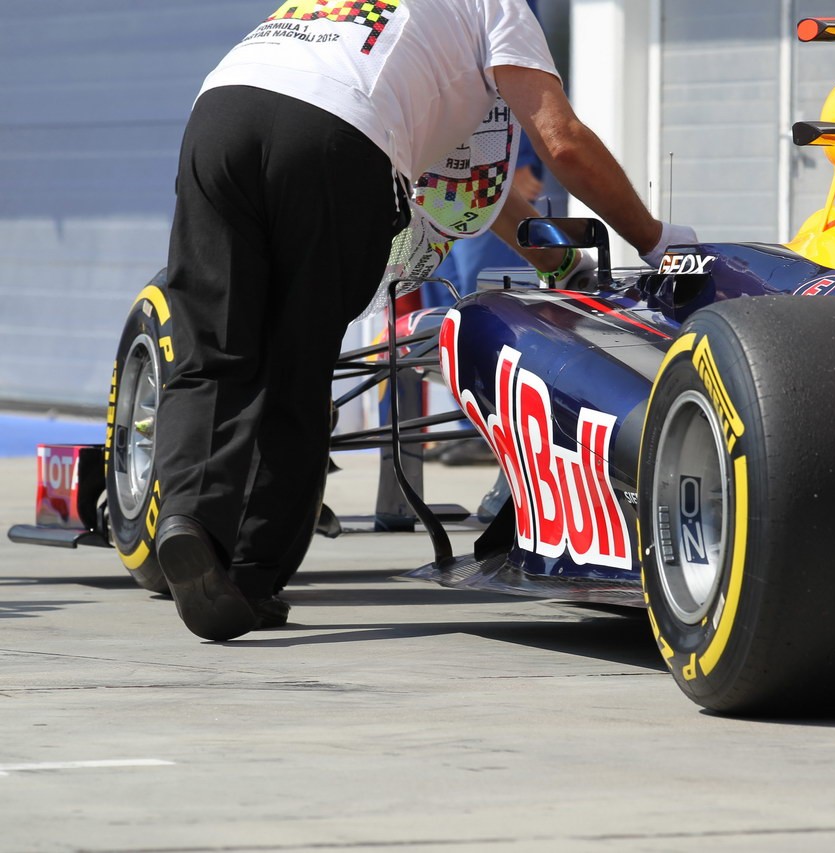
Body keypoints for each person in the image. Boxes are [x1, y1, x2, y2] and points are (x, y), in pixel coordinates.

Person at [152, 0, 696, 642]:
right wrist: (657, 241)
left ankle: (187, 521)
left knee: (211, 348)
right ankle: (247, 577)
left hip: (221, 111)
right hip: (332, 136)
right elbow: (561, 142)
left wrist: (557, 257)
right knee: (297, 367)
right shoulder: (498, 9)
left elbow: (468, 187)